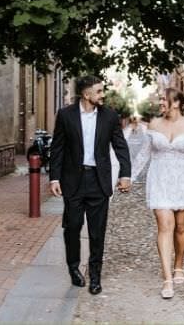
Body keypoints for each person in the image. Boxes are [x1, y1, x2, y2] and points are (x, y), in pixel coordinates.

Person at [49, 75, 132, 294]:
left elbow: (120, 146)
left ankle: (95, 276)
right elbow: (57, 148)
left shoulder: (110, 116)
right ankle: (74, 268)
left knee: (97, 232)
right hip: (73, 181)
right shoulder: (66, 115)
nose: (102, 94)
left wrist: (125, 174)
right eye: (99, 91)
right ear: (86, 94)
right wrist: (54, 178)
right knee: (72, 227)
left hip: (98, 181)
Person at [131, 88, 184, 299]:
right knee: (164, 227)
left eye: (164, 99)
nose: (161, 102)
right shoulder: (154, 124)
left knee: (181, 227)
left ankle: (179, 265)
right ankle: (167, 279)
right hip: (160, 180)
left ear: (176, 103)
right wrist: (129, 177)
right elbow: (144, 155)